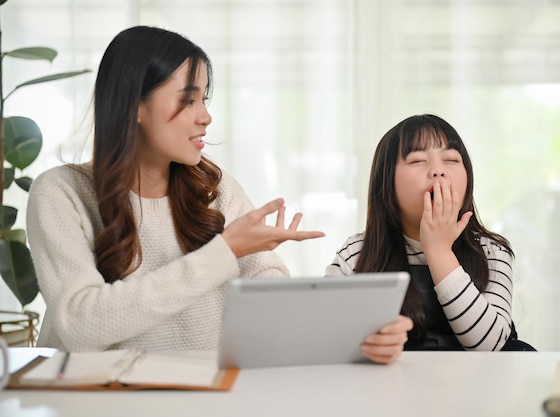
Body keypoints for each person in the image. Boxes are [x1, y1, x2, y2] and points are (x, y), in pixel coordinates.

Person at [26, 25, 410, 363]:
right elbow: (80, 323)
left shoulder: (215, 187)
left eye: (204, 99)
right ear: (134, 107)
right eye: (188, 99)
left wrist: (359, 335)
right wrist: (225, 252)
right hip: (92, 400)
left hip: (205, 395)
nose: (205, 116)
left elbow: (270, 302)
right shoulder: (62, 193)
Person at [326, 114, 524, 351]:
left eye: (451, 159)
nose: (438, 171)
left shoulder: (492, 251)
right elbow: (325, 338)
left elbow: (489, 345)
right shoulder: (356, 254)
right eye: (417, 161)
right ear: (387, 182)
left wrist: (439, 250)